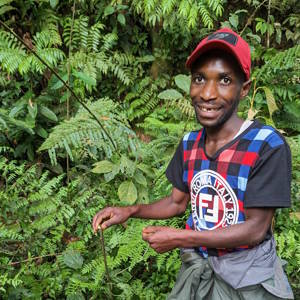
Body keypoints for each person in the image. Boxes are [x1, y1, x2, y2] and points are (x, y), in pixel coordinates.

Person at [92, 28, 294, 299]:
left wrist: (180, 238)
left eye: (224, 80)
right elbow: (177, 203)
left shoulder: (266, 145)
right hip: (199, 269)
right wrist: (130, 210)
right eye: (200, 78)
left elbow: (255, 230)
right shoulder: (190, 143)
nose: (208, 93)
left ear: (244, 89)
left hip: (248, 278)